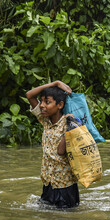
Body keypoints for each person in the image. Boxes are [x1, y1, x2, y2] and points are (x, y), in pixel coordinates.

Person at [26, 80, 80, 208]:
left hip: (65, 186)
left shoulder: (68, 123)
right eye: (42, 101)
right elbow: (29, 95)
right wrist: (55, 84)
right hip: (49, 182)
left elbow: (61, 151)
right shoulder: (45, 121)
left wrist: (70, 127)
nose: (42, 105)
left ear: (60, 105)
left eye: (47, 102)